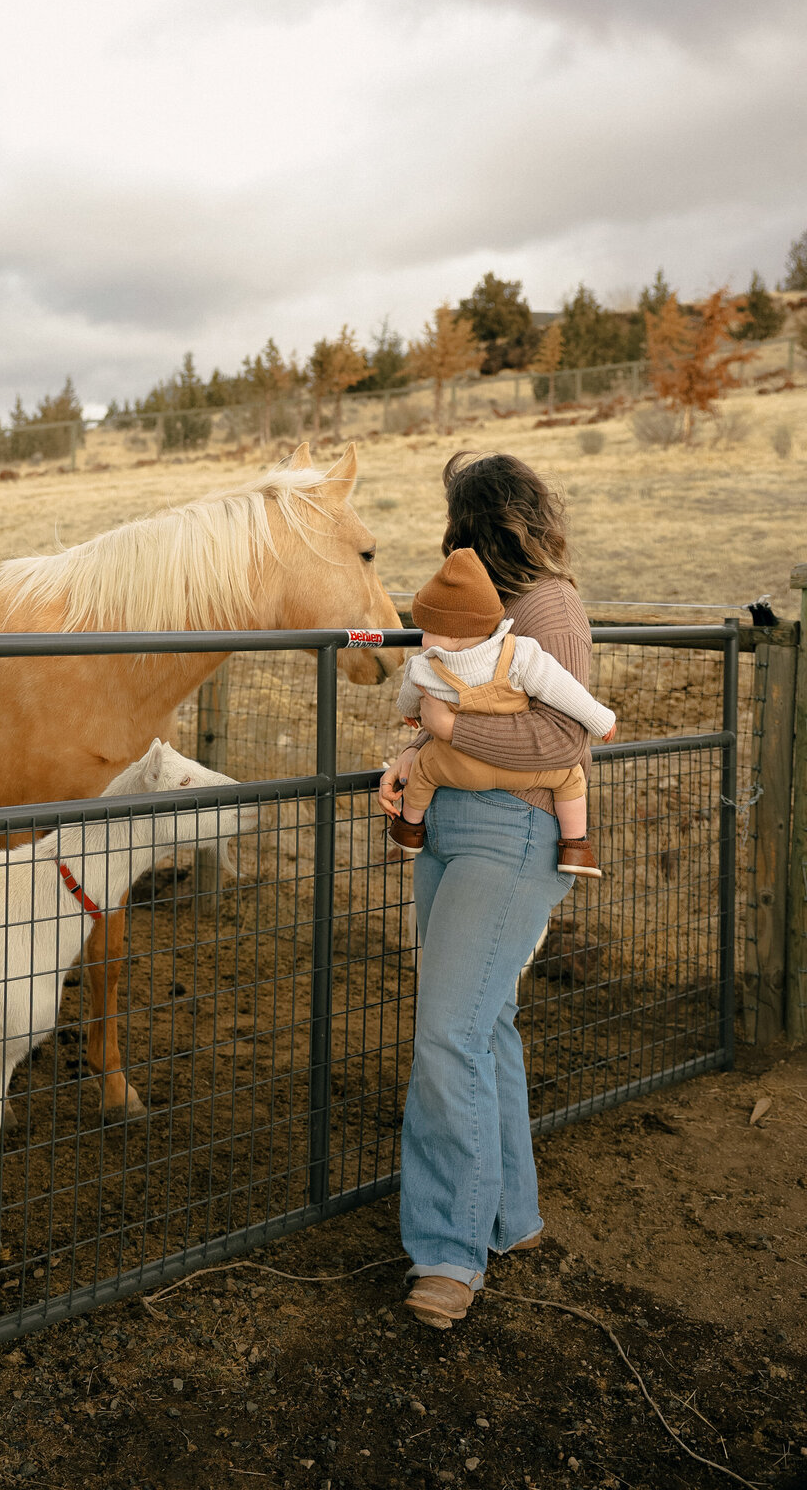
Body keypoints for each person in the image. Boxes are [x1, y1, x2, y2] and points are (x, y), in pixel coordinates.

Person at [375, 451, 603, 1331]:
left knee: (447, 1035)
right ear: (528, 512)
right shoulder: (476, 612)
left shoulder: (549, 607)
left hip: (512, 835)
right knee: (483, 1024)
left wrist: (439, 736)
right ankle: (507, 1217)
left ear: (477, 520)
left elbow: (559, 743)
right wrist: (414, 760)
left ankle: (446, 1252)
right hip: (453, 829)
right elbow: (440, 712)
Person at [386, 547, 616, 877]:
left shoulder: (423, 667)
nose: (423, 638)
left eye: (428, 629)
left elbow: (409, 697)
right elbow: (563, 691)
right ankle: (575, 847)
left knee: (423, 771)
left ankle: (409, 832)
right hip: (521, 774)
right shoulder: (520, 653)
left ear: (451, 634)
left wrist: (411, 714)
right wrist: (600, 718)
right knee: (570, 777)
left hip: (456, 768)